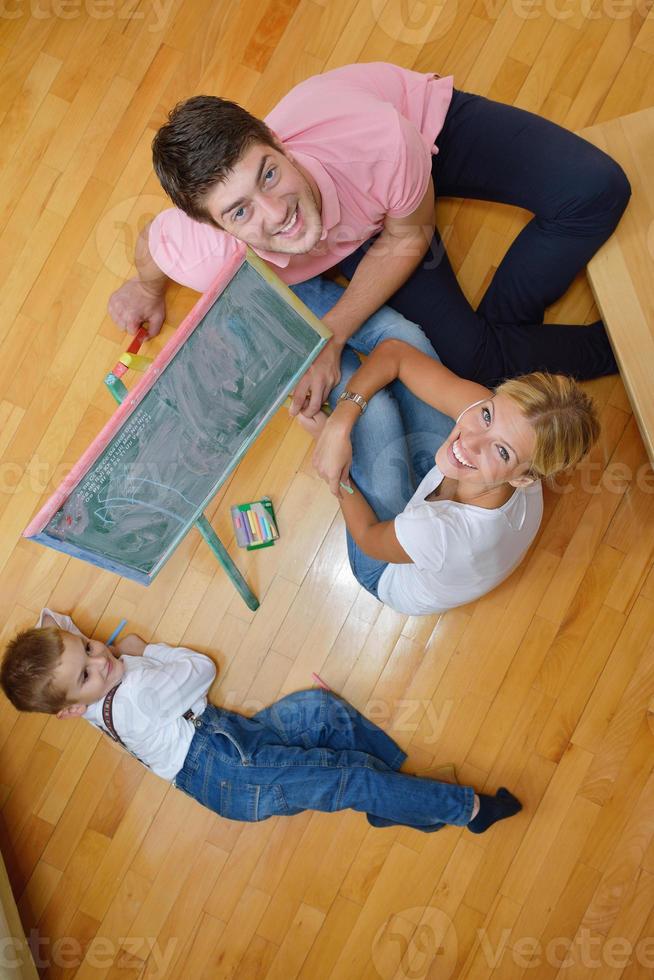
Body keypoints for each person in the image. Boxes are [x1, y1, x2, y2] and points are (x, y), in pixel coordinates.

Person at [108, 62, 630, 416]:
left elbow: (409, 233)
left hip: (419, 133)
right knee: (475, 361)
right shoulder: (205, 253)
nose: (278, 213)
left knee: (598, 188)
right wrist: (147, 288)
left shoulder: (379, 138)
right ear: (217, 228)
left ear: (277, 142)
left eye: (268, 174)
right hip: (369, 226)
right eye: (240, 211)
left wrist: (333, 333)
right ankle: (628, 347)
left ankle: (503, 338)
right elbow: (155, 244)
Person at [0, 610, 522, 835]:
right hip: (232, 773)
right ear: (71, 709)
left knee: (320, 711)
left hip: (229, 740)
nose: (102, 658)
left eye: (89, 645)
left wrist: (70, 650)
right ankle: (468, 810)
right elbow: (202, 669)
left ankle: (395, 799)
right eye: (89, 672)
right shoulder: (134, 690)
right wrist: (144, 649)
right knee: (349, 775)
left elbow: (57, 630)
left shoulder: (85, 704)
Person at [293, 278, 599, 617]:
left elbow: (368, 538)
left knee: (373, 410)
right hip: (451, 491)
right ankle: (284, 284)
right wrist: (340, 422)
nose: (468, 441)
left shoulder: (441, 534)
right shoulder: (513, 430)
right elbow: (396, 353)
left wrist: (331, 458)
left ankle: (288, 320)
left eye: (502, 451)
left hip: (389, 566)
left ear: (524, 479)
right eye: (486, 414)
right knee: (401, 337)